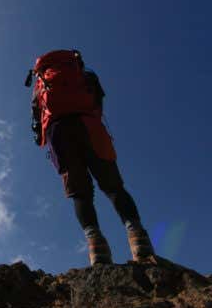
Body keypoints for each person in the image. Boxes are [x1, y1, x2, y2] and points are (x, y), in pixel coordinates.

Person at [26, 49, 156, 266]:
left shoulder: (40, 87)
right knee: (114, 187)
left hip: (59, 135)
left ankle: (96, 248)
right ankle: (138, 240)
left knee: (81, 195)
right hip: (90, 127)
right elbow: (97, 102)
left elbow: (37, 123)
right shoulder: (86, 75)